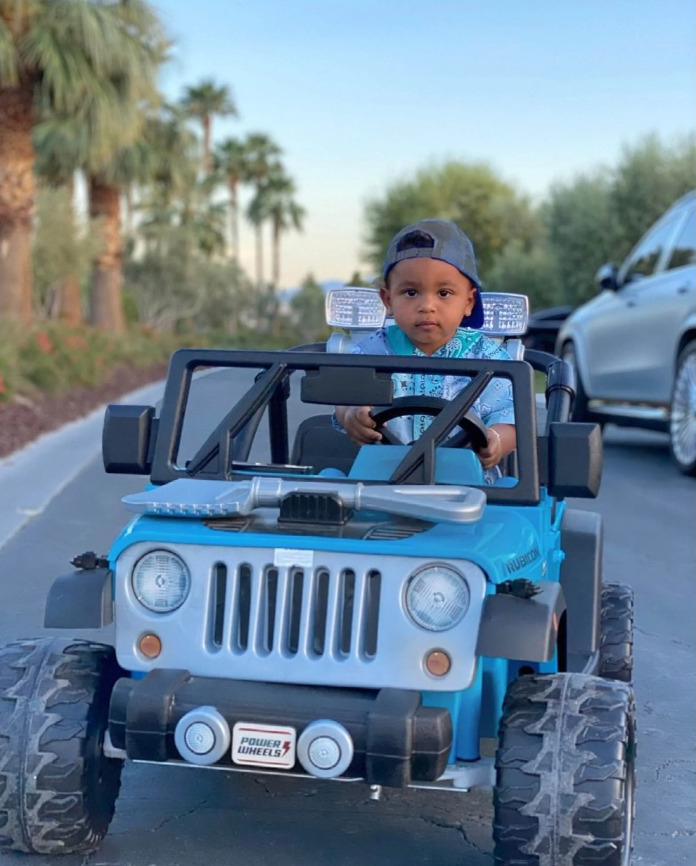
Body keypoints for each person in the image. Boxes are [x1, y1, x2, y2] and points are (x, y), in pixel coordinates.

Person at [333, 218, 516, 478]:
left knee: (511, 505)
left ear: (469, 301)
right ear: (388, 300)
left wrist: (497, 439)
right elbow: (344, 399)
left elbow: (511, 418)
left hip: (469, 489)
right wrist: (351, 415)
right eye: (410, 293)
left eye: (443, 293)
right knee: (326, 484)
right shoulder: (372, 352)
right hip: (379, 484)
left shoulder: (488, 360)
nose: (426, 306)